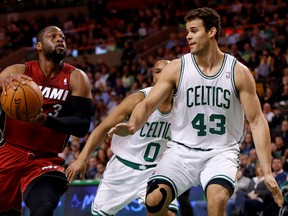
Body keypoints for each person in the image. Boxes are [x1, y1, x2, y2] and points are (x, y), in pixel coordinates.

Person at [109, 7, 283, 216]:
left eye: (193, 30)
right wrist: (133, 125)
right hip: (181, 150)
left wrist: (267, 171)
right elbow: (148, 103)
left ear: (211, 32)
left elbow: (256, 121)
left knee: (217, 200)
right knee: (153, 202)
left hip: (221, 152)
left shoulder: (238, 72)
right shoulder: (177, 67)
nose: (188, 36)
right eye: (187, 32)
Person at [0, 26, 92, 216]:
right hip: (9, 152)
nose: (60, 39)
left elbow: (82, 125)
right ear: (39, 46)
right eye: (53, 36)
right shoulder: (19, 70)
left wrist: (45, 120)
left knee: (43, 208)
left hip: (45, 159)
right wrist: (3, 80)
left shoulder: (76, 77)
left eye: (63, 37)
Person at [66, 59, 178, 216]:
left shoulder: (184, 104)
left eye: (167, 71)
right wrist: (81, 158)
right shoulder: (137, 100)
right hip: (123, 168)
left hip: (156, 170)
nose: (162, 75)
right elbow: (102, 128)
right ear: (153, 77)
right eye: (158, 71)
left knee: (166, 213)